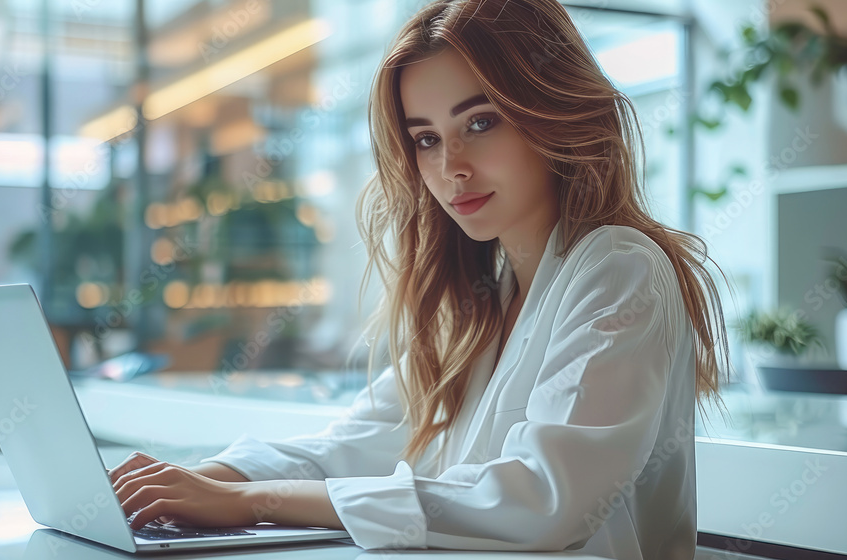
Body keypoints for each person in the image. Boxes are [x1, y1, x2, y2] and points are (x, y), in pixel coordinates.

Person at [108, 0, 734, 557]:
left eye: (480, 122)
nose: (450, 167)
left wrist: (248, 505)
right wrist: (204, 479)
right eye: (427, 138)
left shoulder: (619, 267)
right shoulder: (480, 308)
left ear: (550, 110)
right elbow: (352, 444)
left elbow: (543, 500)